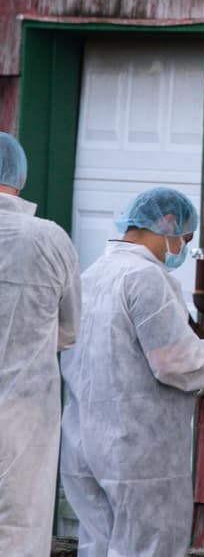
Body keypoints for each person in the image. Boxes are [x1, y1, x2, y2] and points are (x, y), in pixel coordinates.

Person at [60, 186, 204, 557]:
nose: (182, 247)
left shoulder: (93, 275)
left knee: (98, 547)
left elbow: (123, 354)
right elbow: (175, 363)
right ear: (166, 223)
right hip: (137, 450)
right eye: (185, 237)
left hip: (84, 441)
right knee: (148, 548)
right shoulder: (146, 277)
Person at [0, 132, 80, 555]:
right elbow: (68, 332)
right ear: (21, 174)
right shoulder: (48, 239)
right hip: (24, 411)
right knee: (19, 526)